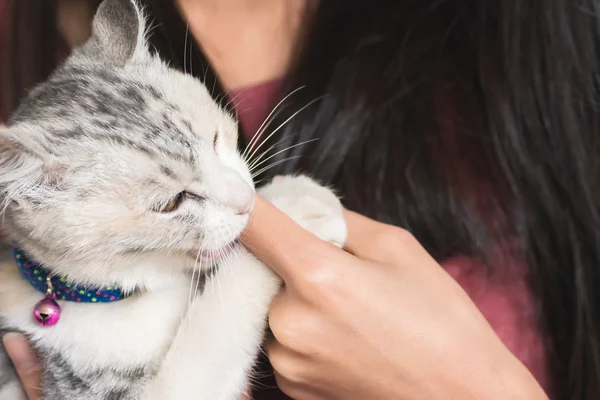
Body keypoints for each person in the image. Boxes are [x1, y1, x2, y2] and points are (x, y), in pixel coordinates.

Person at [2, 0, 599, 398]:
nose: (243, 197)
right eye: (169, 202)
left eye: (220, 140)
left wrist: (469, 386)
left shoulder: (535, 33)